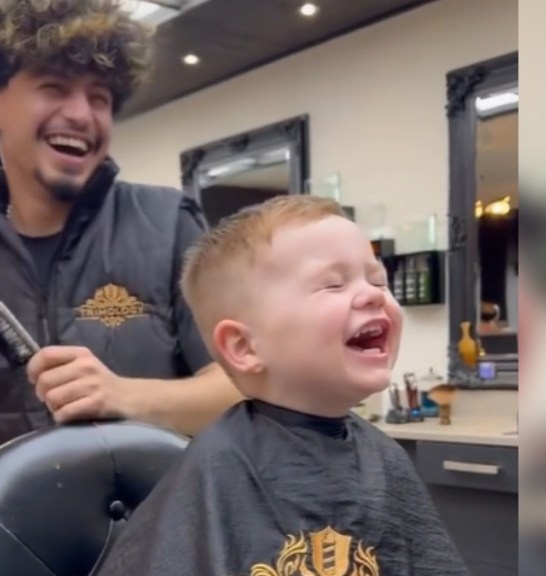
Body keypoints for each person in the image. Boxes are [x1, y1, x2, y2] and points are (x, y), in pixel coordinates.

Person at [0, 0, 240, 521]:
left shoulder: (169, 224)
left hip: (165, 542)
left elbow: (241, 389)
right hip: (22, 548)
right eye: (54, 87)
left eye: (99, 98)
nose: (82, 114)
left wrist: (126, 396)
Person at [96, 195, 469, 576]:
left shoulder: (386, 459)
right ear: (244, 347)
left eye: (378, 280)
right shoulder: (220, 469)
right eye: (333, 285)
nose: (375, 294)